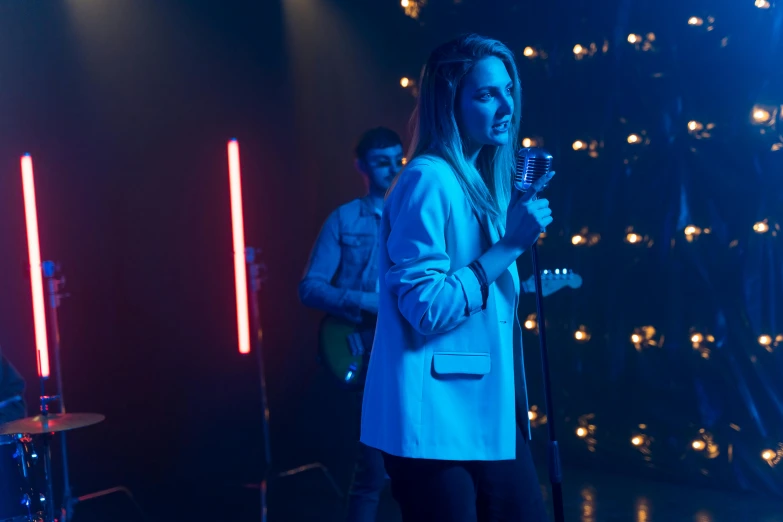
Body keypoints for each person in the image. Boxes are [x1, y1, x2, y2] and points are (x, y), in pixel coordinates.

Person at [359, 34, 554, 521]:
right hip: (436, 421)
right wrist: (509, 245)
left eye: (510, 90)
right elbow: (425, 308)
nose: (507, 106)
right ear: (450, 102)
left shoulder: (484, 182)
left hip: (488, 411)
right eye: (487, 94)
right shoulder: (429, 179)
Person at [299, 127, 405, 521]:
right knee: (371, 471)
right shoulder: (343, 219)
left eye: (398, 159)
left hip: (407, 349)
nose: (393, 169)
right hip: (362, 345)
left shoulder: (419, 212)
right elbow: (309, 288)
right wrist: (367, 301)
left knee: (419, 468)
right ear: (361, 167)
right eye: (382, 162)